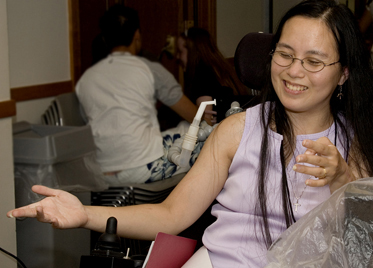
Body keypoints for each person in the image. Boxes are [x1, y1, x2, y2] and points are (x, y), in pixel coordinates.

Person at [7, 0, 373, 267]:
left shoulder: (354, 141)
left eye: (313, 61)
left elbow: (362, 234)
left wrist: (343, 178)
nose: (294, 72)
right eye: (285, 54)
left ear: (343, 73)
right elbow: (172, 215)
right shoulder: (235, 131)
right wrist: (84, 214)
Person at [75, 5, 200, 185]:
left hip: (100, 173)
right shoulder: (149, 69)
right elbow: (195, 117)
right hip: (141, 169)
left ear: (106, 39)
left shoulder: (86, 79)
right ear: (137, 36)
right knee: (194, 130)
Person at [176, 27, 251, 125]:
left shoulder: (201, 74)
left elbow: (205, 122)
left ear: (192, 51)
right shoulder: (221, 68)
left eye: (180, 52)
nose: (177, 57)